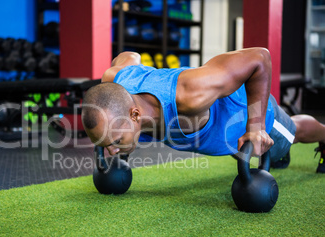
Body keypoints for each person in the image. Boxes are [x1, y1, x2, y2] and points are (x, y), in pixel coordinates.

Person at [81, 48, 325, 173]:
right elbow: (127, 56)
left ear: (135, 115)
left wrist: (256, 128)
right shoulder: (114, 83)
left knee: (294, 132)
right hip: (216, 131)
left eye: (114, 141)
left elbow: (260, 57)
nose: (111, 150)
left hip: (243, 112)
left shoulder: (191, 95)